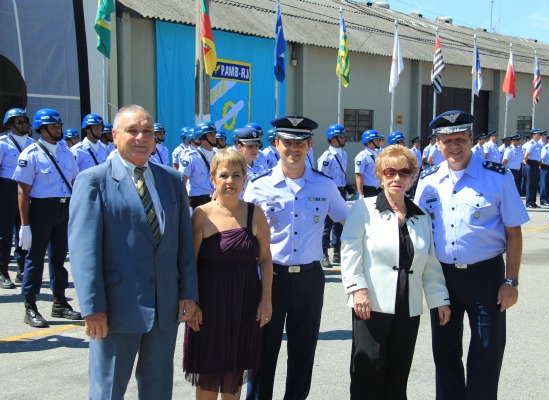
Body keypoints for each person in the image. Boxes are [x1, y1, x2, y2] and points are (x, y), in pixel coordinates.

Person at [68, 104, 199, 399]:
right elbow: (83, 252)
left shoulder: (172, 180)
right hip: (115, 310)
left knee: (158, 390)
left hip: (164, 308)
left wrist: (189, 292)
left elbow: (183, 245)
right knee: (108, 390)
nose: (141, 137)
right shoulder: (93, 181)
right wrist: (92, 308)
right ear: (115, 135)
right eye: (132, 131)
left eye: (148, 131)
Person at [414, 110, 529, 400]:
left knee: (487, 354)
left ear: (470, 139)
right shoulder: (428, 181)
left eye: (460, 139)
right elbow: (417, 232)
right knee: (445, 354)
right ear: (437, 143)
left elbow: (514, 233)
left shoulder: (498, 177)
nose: (454, 146)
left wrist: (511, 282)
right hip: (443, 278)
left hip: (486, 277)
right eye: (446, 140)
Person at [244, 115, 349, 400]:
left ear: (309, 145)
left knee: (303, 353)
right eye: (287, 142)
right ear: (276, 144)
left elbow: (347, 222)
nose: (294, 148)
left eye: (300, 143)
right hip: (269, 278)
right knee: (263, 353)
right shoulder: (258, 186)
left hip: (309, 279)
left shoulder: (324, 185)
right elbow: (242, 232)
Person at [341, 145, 451, 400]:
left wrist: (440, 300)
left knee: (398, 374)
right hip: (371, 305)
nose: (397, 178)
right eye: (390, 172)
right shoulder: (364, 209)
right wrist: (358, 290)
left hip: (408, 307)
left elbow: (430, 264)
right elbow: (350, 251)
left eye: (404, 172)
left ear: (413, 178)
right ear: (380, 176)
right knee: (368, 373)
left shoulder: (420, 216)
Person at [183, 149, 273, 400]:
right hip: (209, 308)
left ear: (245, 179)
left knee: (234, 380)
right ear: (212, 179)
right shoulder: (201, 215)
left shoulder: (256, 214)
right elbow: (190, 264)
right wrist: (193, 303)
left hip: (244, 305)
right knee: (209, 381)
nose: (230, 181)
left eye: (236, 175)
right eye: (224, 175)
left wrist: (266, 300)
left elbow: (265, 259)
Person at [13, 108, 82, 327]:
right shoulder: (30, 154)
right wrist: (25, 225)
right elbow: (23, 192)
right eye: (53, 127)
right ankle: (30, 306)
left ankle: (59, 303)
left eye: (59, 126)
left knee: (59, 259)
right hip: (41, 210)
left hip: (63, 208)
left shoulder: (66, 152)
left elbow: (75, 182)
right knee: (35, 260)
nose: (58, 129)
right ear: (42, 130)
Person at [0, 108, 35, 288]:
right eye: (18, 122)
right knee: (4, 232)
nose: (23, 125)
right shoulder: (3, 143)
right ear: (10, 125)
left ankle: (22, 269)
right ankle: (2, 270)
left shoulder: (33, 143)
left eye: (24, 121)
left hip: (27, 188)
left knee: (24, 228)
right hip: (7, 187)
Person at [317, 124, 349, 268]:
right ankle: (324, 254)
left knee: (340, 224)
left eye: (343, 136)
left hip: (341, 191)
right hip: (329, 192)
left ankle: (337, 252)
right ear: (332, 138)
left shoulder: (344, 154)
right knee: (326, 225)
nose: (344, 139)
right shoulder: (326, 157)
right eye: (341, 136)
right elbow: (321, 177)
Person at [181, 122, 218, 208]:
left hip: (216, 198)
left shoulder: (218, 154)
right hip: (198, 201)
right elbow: (182, 181)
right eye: (210, 135)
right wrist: (185, 201)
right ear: (202, 138)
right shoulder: (191, 157)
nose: (214, 137)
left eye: (214, 134)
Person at [355, 129, 381, 198]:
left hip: (378, 189)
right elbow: (358, 176)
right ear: (369, 141)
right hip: (367, 190)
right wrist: (361, 195)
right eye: (376, 139)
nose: (378, 141)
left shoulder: (378, 154)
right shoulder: (362, 156)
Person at [523, 129, 543, 208]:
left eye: (539, 134)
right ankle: (529, 202)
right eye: (537, 134)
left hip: (536, 164)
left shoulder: (538, 144)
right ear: (533, 135)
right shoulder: (531, 144)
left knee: (535, 183)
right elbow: (526, 155)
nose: (539, 136)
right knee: (530, 183)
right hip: (530, 163)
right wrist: (526, 164)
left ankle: (533, 201)